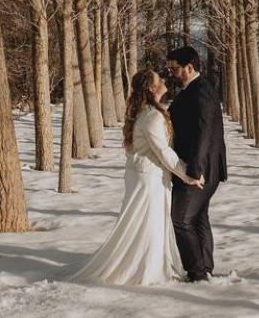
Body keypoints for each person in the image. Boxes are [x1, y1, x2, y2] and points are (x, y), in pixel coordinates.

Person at [72, 68, 205, 285]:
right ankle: (144, 270)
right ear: (151, 88)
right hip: (148, 178)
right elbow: (163, 152)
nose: (164, 80)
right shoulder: (151, 116)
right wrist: (189, 175)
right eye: (158, 79)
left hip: (146, 175)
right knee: (148, 224)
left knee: (150, 223)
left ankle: (148, 266)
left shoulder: (150, 112)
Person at [166, 45, 227, 282]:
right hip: (201, 167)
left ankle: (197, 272)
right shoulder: (191, 90)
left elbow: (203, 133)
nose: (171, 73)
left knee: (181, 219)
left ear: (190, 68)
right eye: (169, 68)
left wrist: (193, 170)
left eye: (175, 69)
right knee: (198, 217)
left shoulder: (201, 91)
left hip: (200, 169)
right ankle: (204, 268)